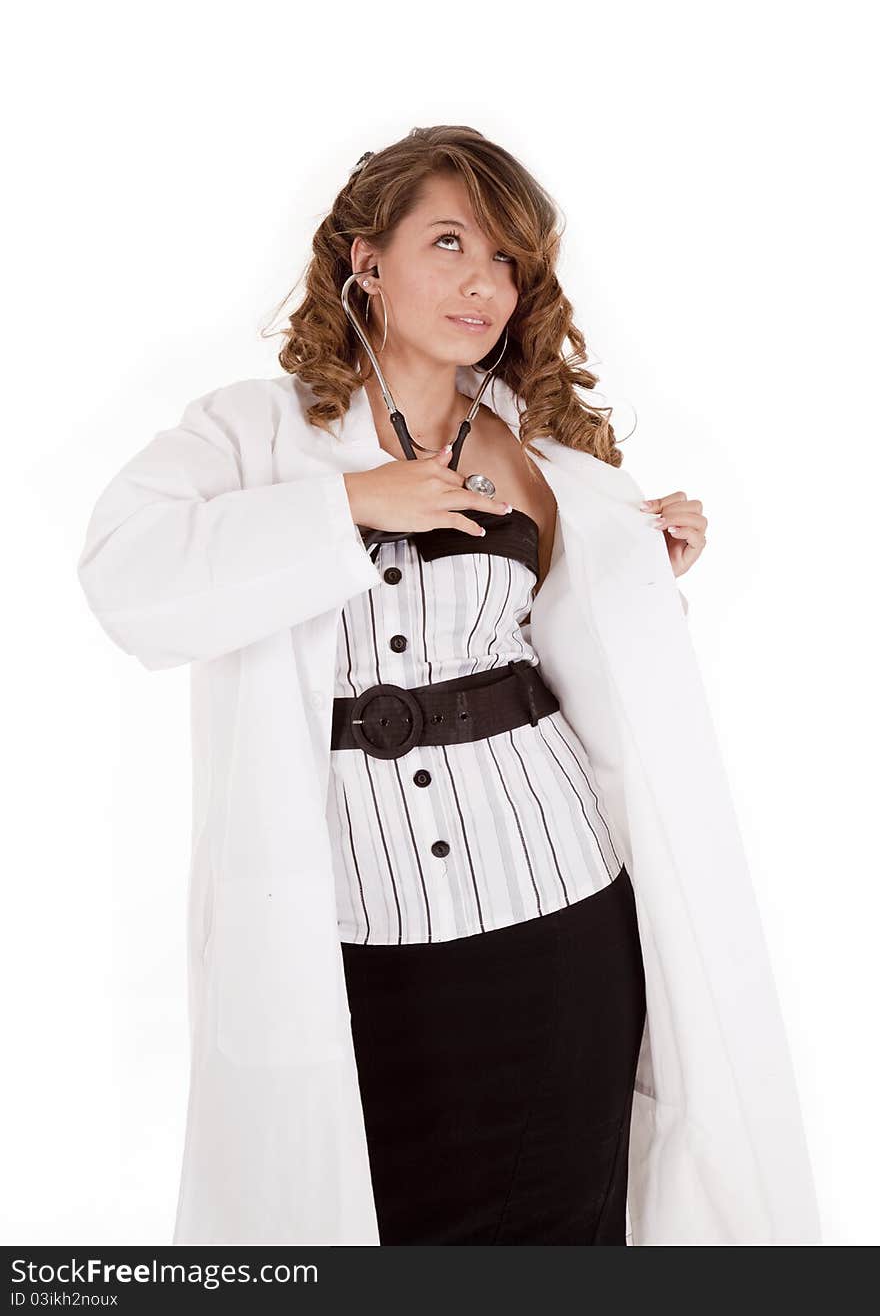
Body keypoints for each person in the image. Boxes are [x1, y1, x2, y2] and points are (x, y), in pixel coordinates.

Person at [77, 125, 821, 1246]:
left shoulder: (535, 440)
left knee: (568, 1222)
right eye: (449, 243)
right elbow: (125, 579)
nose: (485, 284)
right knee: (372, 1220)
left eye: (509, 261)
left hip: (562, 909)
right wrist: (348, 505)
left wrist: (641, 566)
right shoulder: (251, 431)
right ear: (365, 259)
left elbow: (586, 658)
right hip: (350, 935)